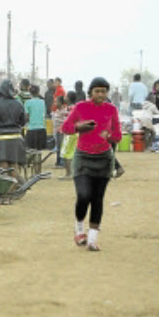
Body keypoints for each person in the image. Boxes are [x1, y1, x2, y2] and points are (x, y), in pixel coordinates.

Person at [61, 77, 121, 251]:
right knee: (84, 195)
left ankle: (92, 238)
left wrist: (108, 136)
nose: (101, 94)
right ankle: (79, 228)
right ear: (90, 93)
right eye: (97, 91)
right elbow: (65, 128)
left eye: (104, 91)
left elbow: (117, 135)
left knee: (97, 198)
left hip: (104, 158)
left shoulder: (111, 109)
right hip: (83, 157)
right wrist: (80, 127)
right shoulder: (80, 107)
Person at [0, 80, 26, 182]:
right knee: (14, 164)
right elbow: (23, 121)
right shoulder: (18, 104)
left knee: (2, 164)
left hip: (0, 138)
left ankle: (6, 188)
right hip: (16, 138)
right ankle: (15, 186)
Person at [59, 91, 79, 180]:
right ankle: (72, 173)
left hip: (70, 133)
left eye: (66, 96)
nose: (64, 98)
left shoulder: (70, 109)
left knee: (66, 153)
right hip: (75, 133)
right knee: (71, 153)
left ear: (69, 98)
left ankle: (68, 174)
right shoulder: (74, 108)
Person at [24, 85, 47, 150]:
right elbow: (44, 114)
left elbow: (27, 117)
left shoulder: (27, 102)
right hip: (42, 129)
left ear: (30, 92)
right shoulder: (42, 102)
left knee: (31, 151)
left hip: (31, 129)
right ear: (38, 92)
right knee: (39, 151)